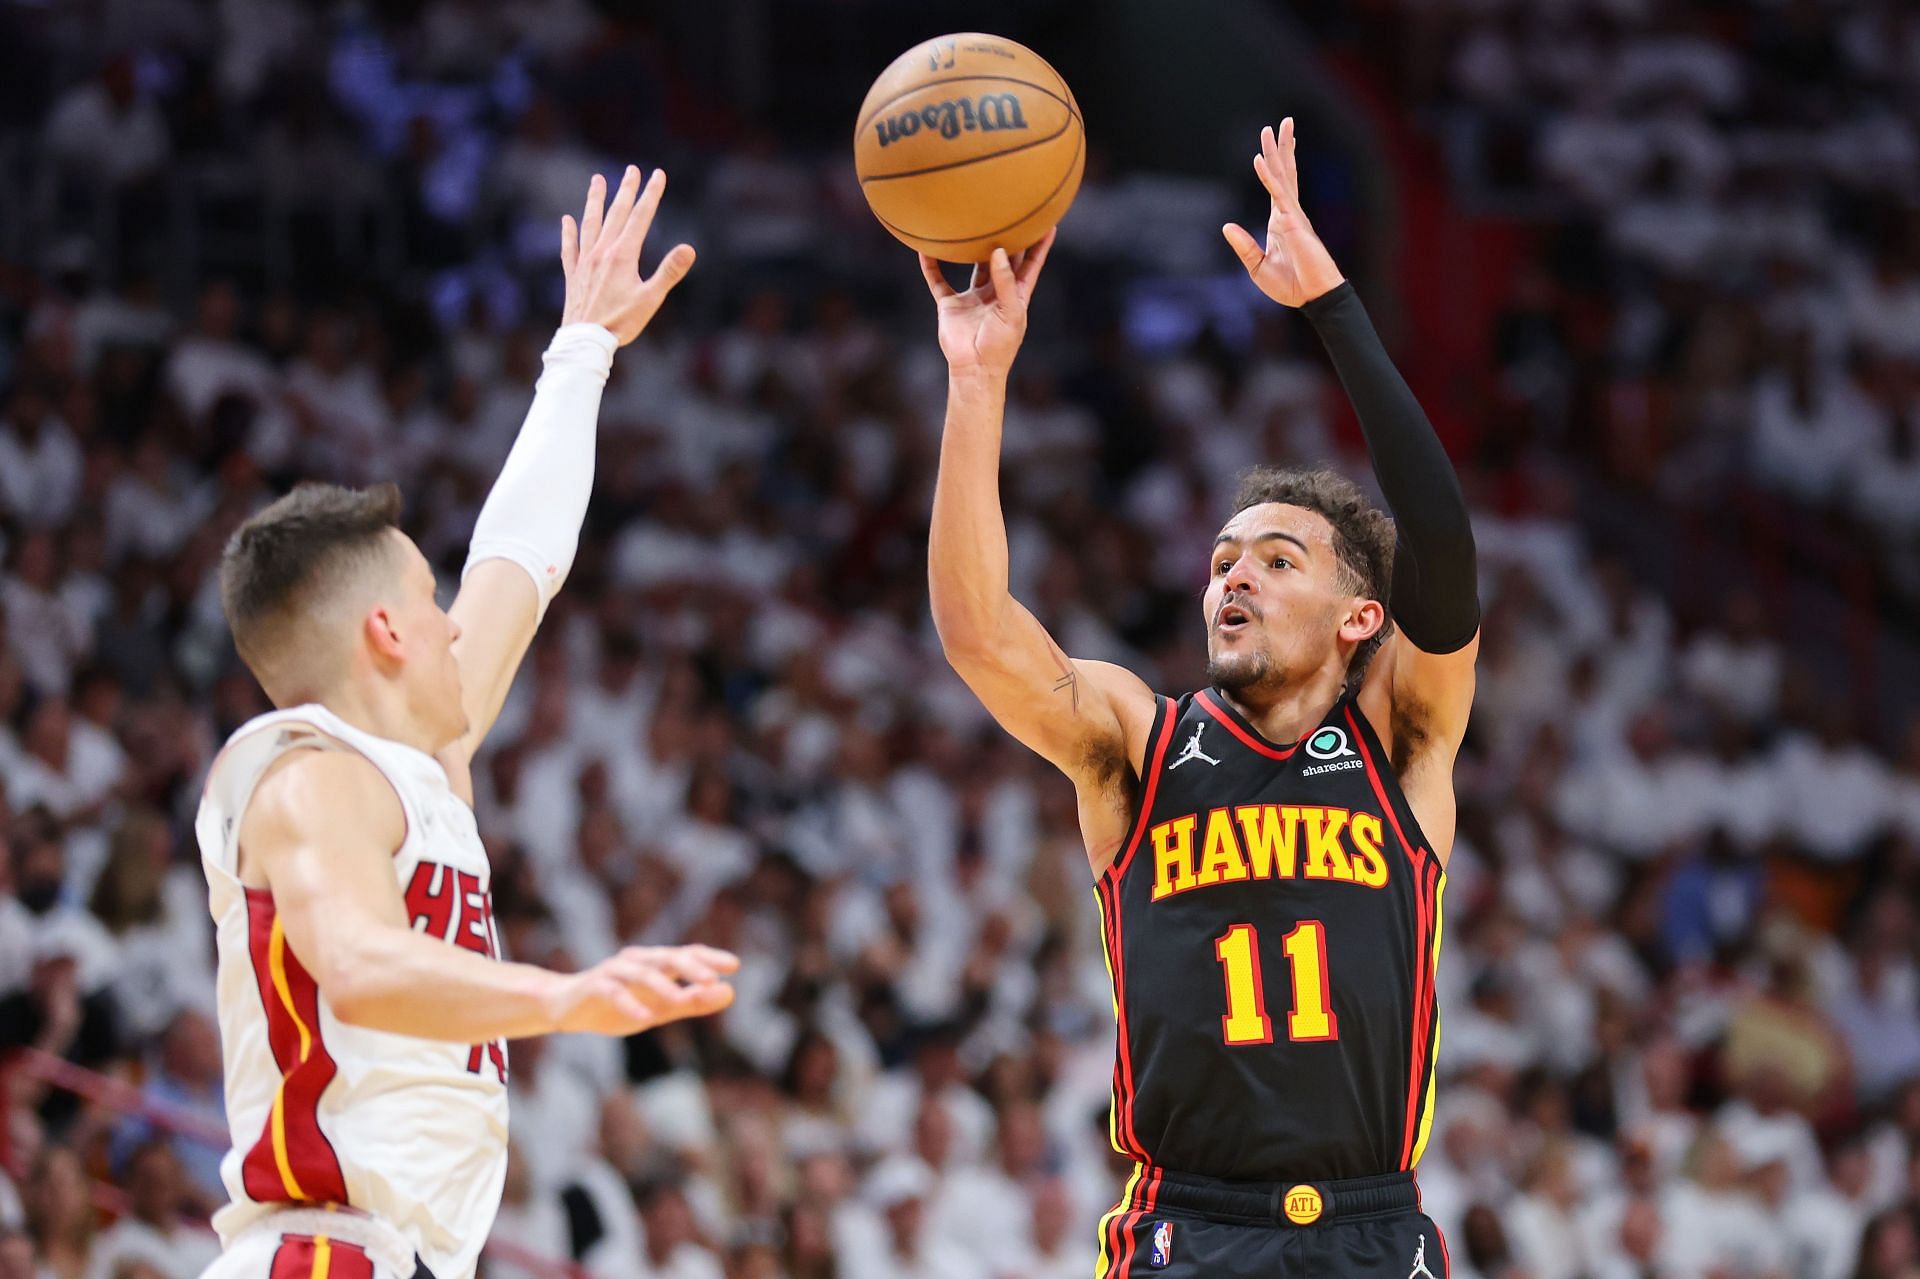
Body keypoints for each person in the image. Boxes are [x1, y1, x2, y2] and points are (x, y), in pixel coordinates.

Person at [921, 120, 1478, 1277]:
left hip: (1377, 1225)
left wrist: (1331, 307)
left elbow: (1440, 541)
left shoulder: (1402, 740)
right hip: (1192, 1228)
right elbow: (979, 632)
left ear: (1358, 615)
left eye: (1279, 559)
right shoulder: (1139, 738)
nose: (1236, 573)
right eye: (1224, 556)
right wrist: (978, 383)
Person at [194, 167, 737, 1279]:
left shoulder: (421, 760)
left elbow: (519, 563)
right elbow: (353, 960)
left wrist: (583, 347)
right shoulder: (304, 777)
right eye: (432, 605)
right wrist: (565, 995)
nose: (459, 627)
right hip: (319, 1255)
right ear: (388, 634)